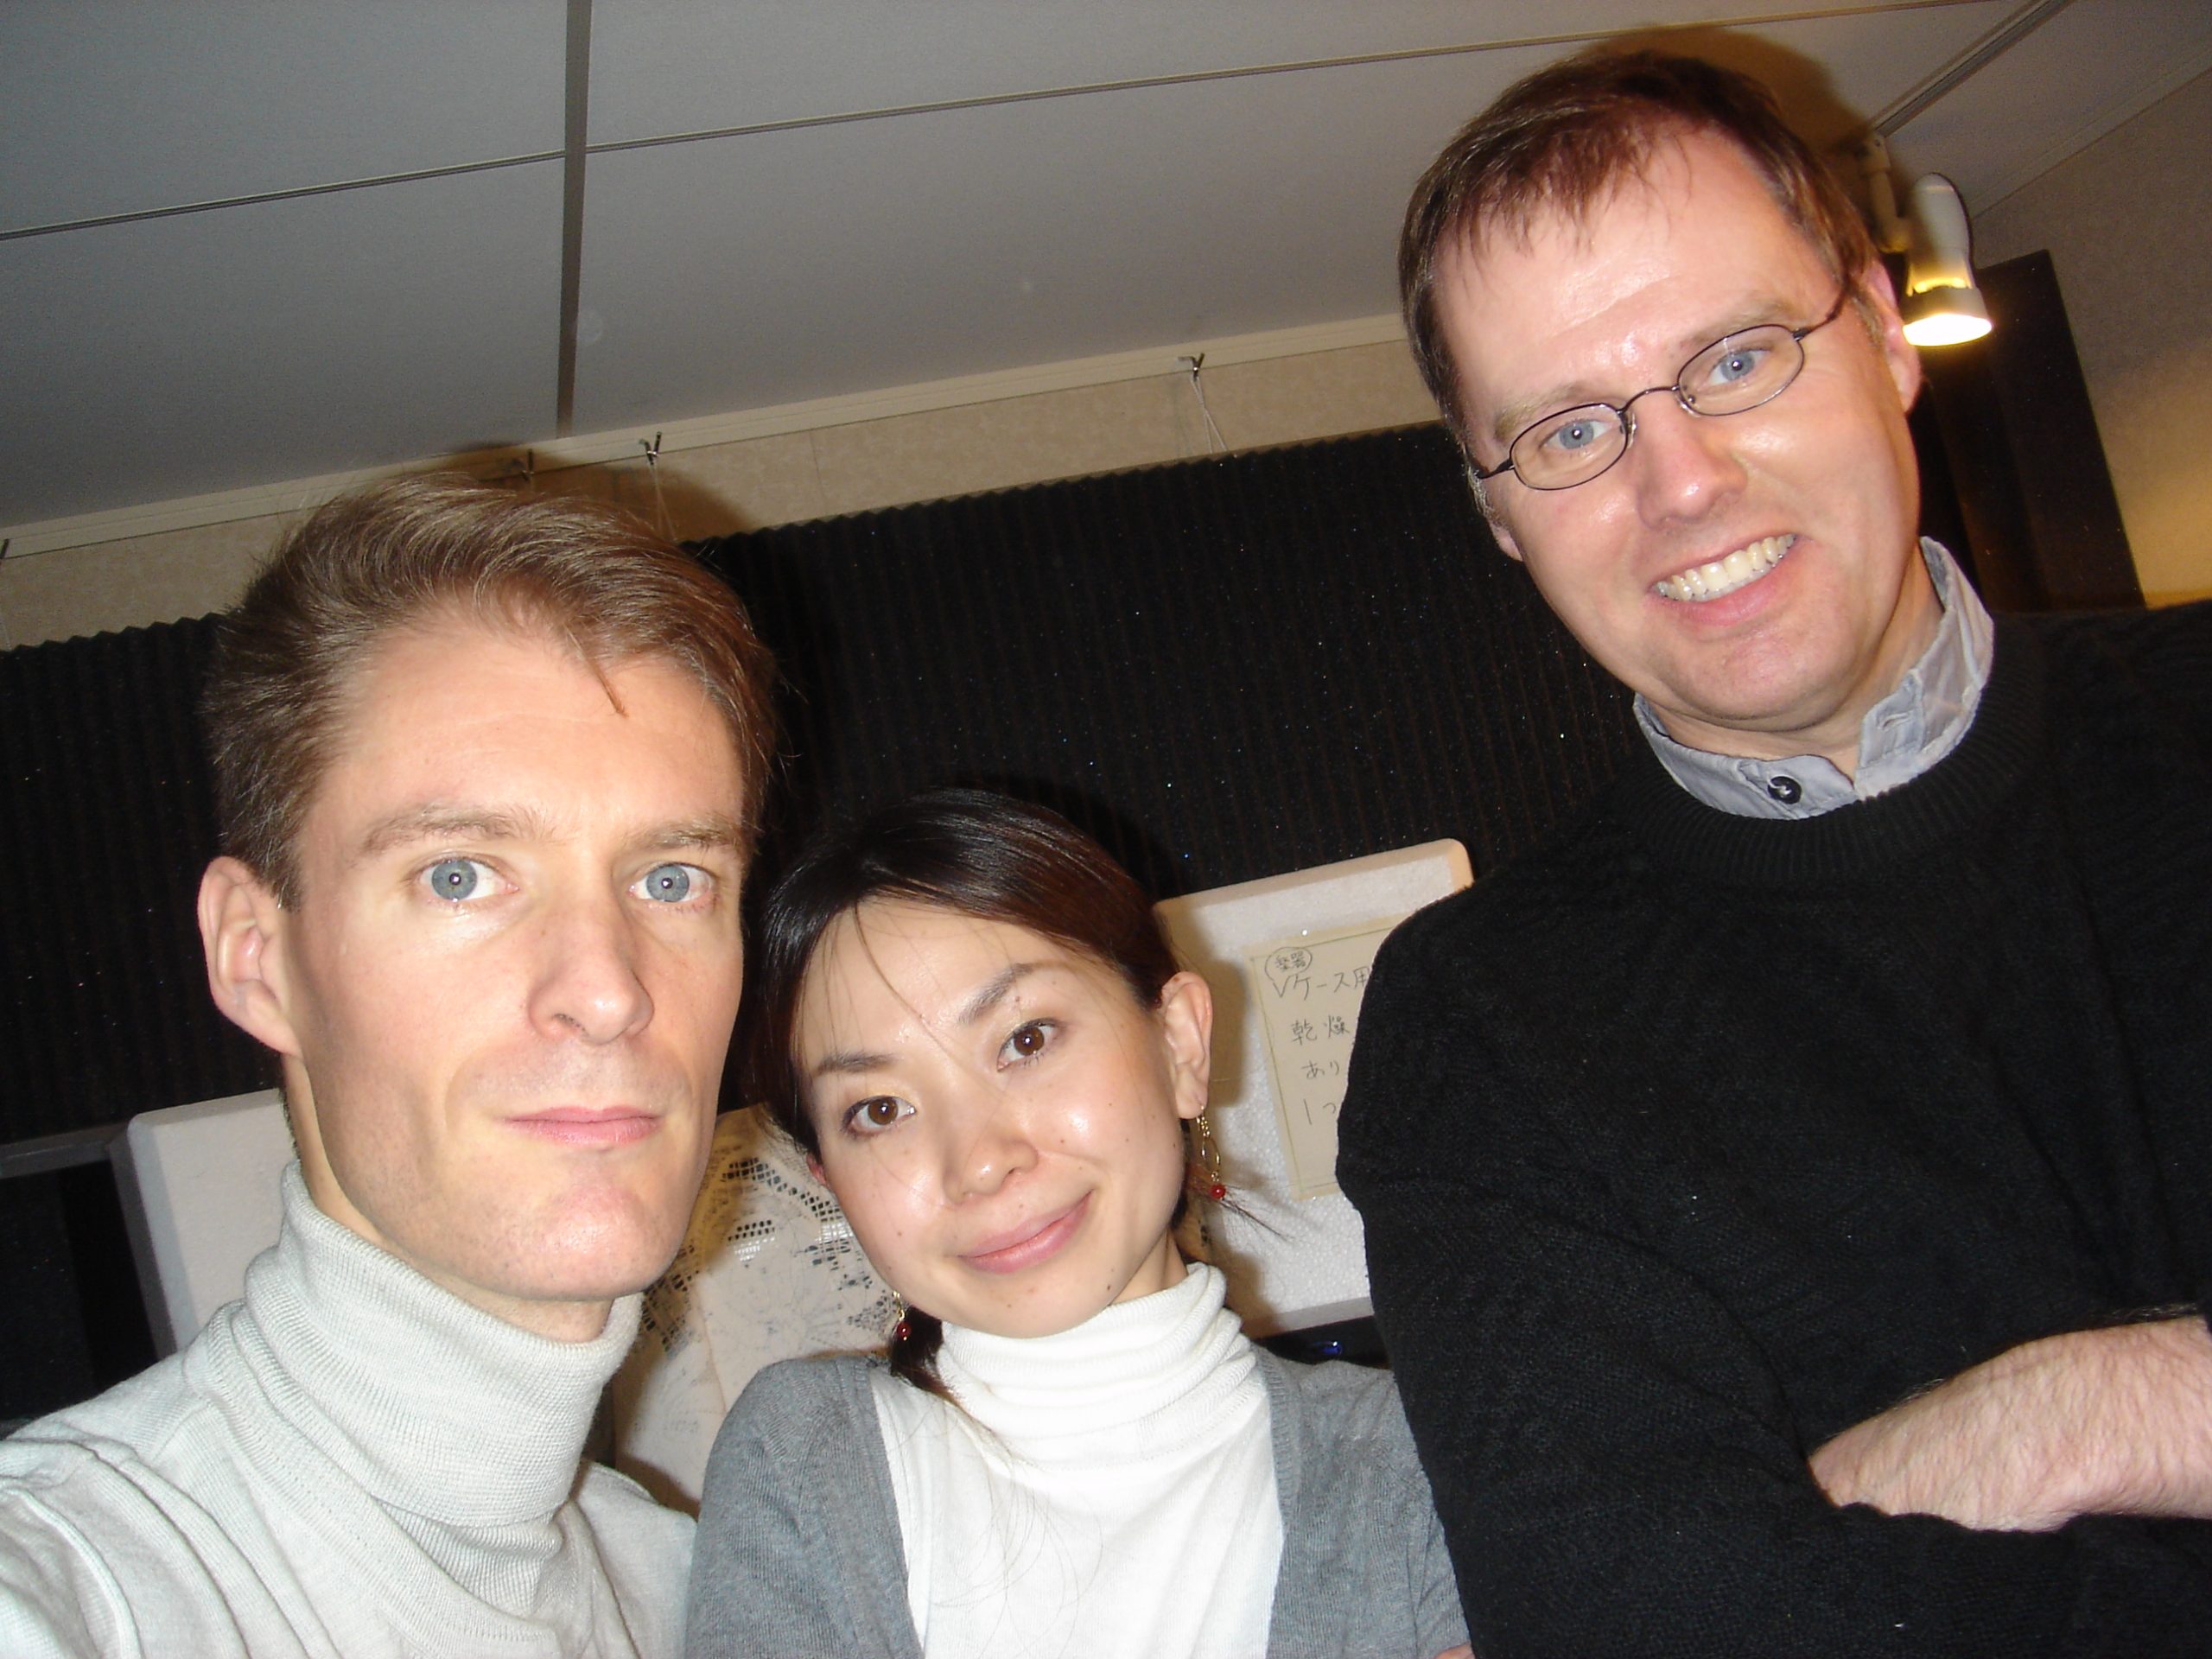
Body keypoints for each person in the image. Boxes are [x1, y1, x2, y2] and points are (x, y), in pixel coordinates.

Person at [1336, 47, 2212, 1658]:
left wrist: (2081, 1410)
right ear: (1500, 515)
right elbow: (1636, 1626)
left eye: (1737, 358)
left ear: (1883, 331)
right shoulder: (1478, 1026)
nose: (1682, 483)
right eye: (1569, 432)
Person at [0, 477, 777, 1659]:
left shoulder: (692, 1590)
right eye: (459, 876)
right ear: (257, 957)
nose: (610, 990)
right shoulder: (82, 1581)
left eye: (672, 880)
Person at [685, 788, 1469, 1659]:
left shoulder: (1421, 1463)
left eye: (1026, 1040)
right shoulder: (804, 1461)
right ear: (830, 1179)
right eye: (879, 1109)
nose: (979, 1161)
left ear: (1179, 1043)